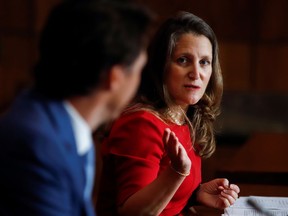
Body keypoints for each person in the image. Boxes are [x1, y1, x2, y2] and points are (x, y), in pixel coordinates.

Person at [0, 1, 153, 215]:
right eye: (139, 71)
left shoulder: (66, 127)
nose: (138, 84)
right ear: (114, 78)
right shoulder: (35, 143)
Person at [96, 11, 240, 216]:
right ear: (161, 66)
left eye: (204, 62)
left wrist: (196, 194)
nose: (196, 73)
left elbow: (165, 197)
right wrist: (177, 173)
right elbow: (132, 213)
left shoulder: (184, 118)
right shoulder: (141, 124)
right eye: (183, 60)